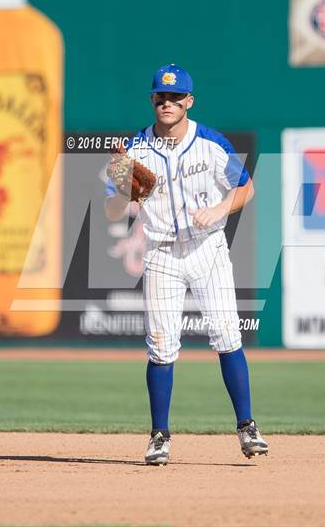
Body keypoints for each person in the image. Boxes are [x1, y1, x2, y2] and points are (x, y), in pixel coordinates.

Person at [105, 64, 268, 465]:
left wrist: (219, 208)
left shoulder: (211, 143)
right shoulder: (134, 149)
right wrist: (125, 187)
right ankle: (159, 435)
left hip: (207, 249)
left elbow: (247, 187)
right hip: (160, 253)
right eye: (161, 96)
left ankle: (247, 426)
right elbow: (112, 211)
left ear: (189, 102)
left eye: (176, 97)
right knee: (161, 347)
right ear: (152, 100)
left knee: (228, 336)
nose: (167, 102)